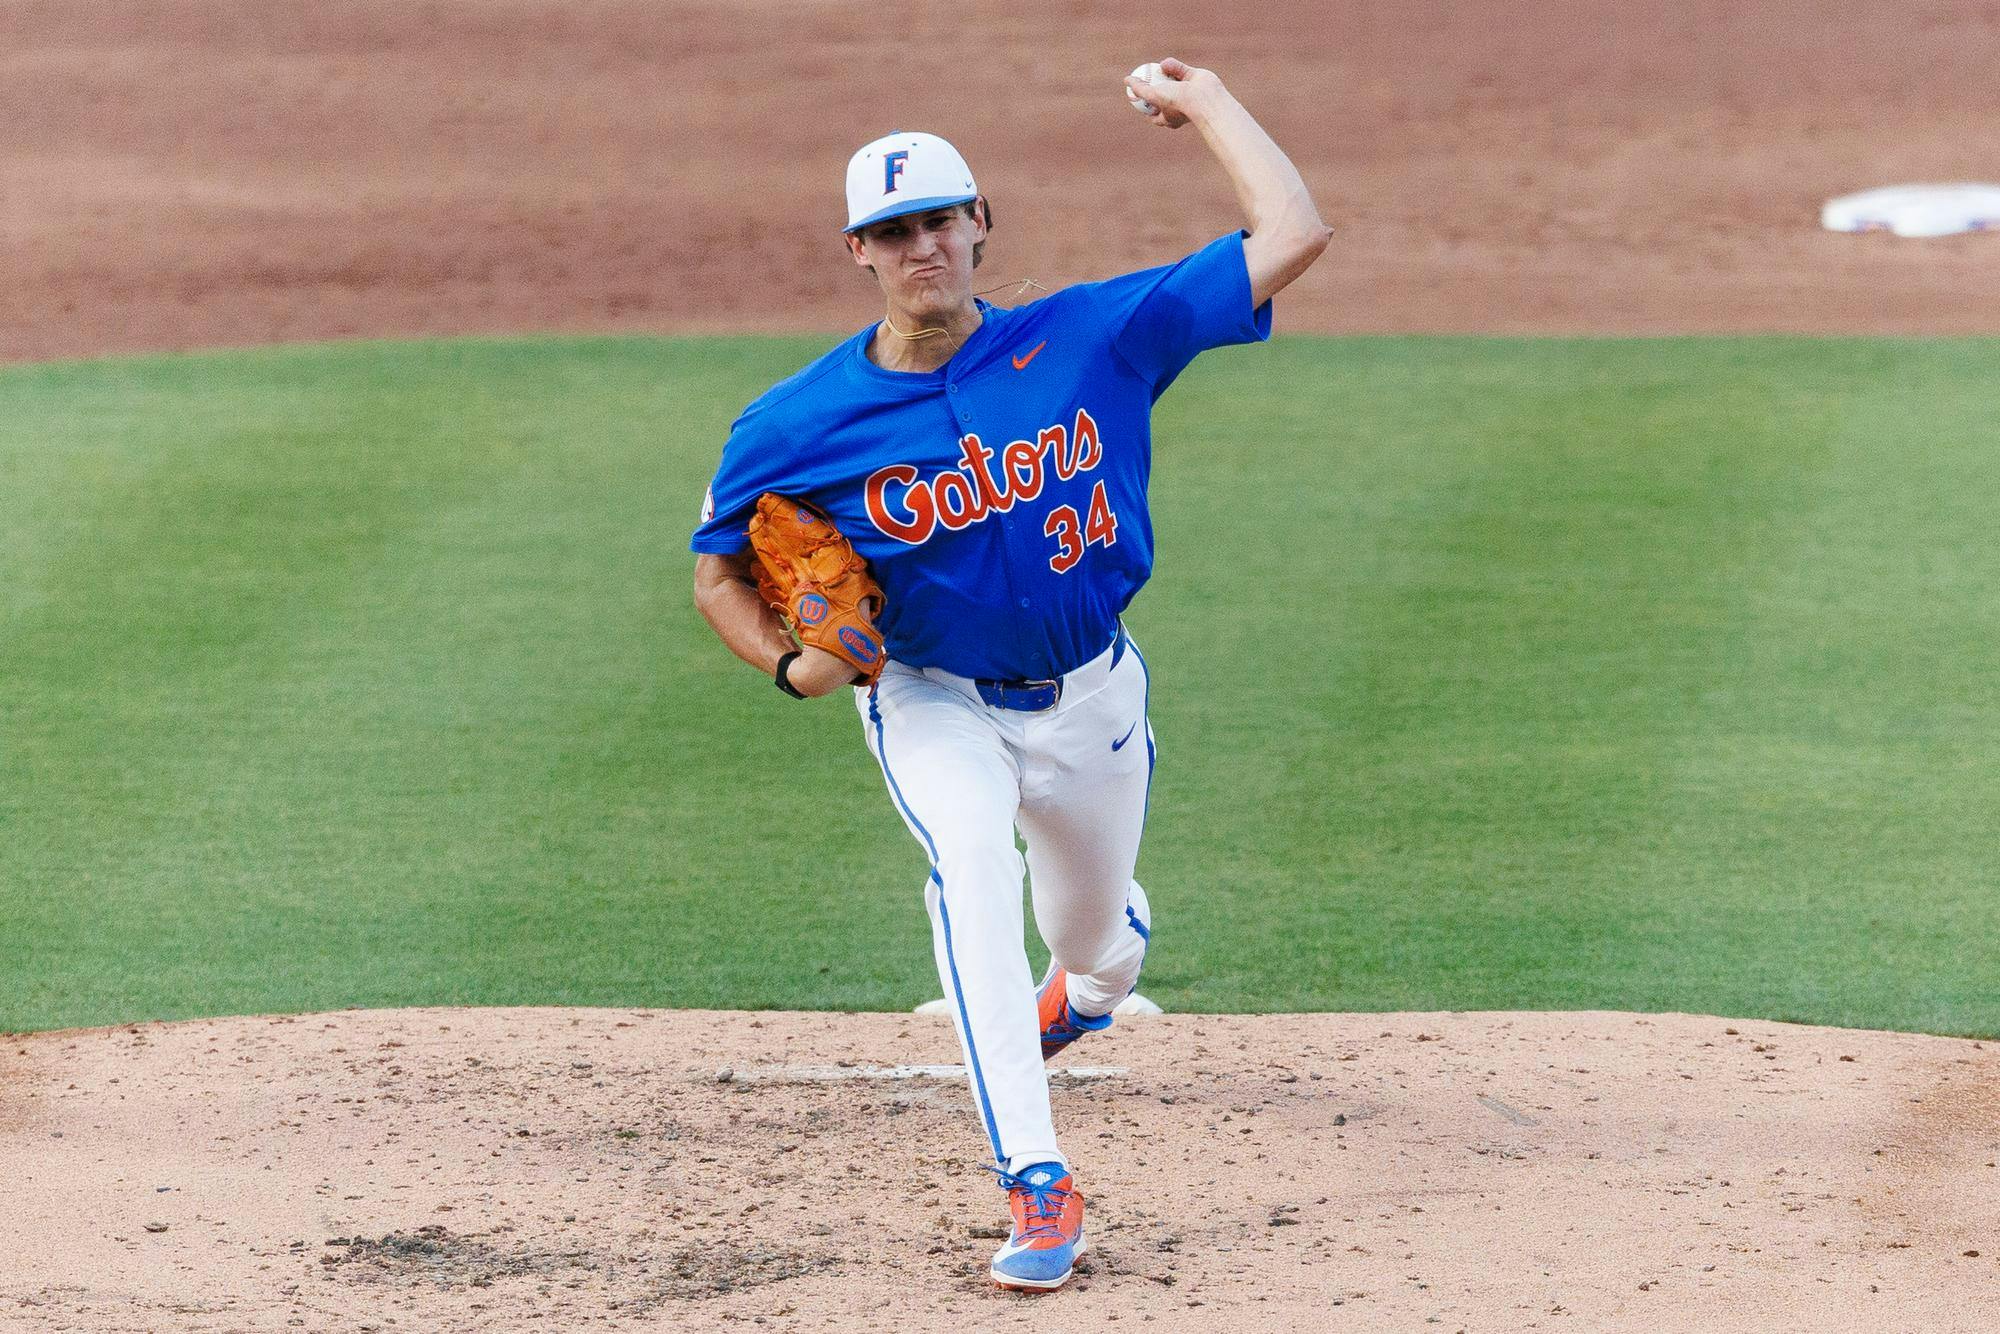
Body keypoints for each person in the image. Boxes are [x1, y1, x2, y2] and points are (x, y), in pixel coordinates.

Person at [690, 57, 1330, 1292]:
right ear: (855, 252)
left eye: (937, 220)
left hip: (1094, 696)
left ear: (979, 225)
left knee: (1093, 948)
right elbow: (716, 570)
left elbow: (1292, 232)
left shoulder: (1090, 334)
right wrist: (785, 666)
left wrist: (1201, 103)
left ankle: (1087, 979)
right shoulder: (790, 422)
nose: (919, 245)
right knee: (969, 869)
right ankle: (1037, 1178)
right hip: (931, 700)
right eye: (891, 232)